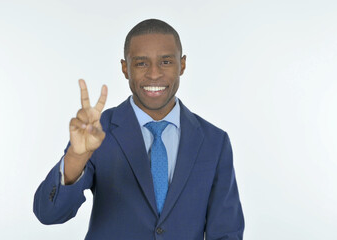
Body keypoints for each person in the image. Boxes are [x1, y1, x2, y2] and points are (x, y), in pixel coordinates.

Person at [33, 19, 244, 240]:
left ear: (182, 65)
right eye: (141, 63)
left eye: (166, 62)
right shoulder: (97, 132)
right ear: (125, 68)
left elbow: (226, 232)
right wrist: (76, 156)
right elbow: (48, 214)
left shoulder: (214, 141)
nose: (154, 74)